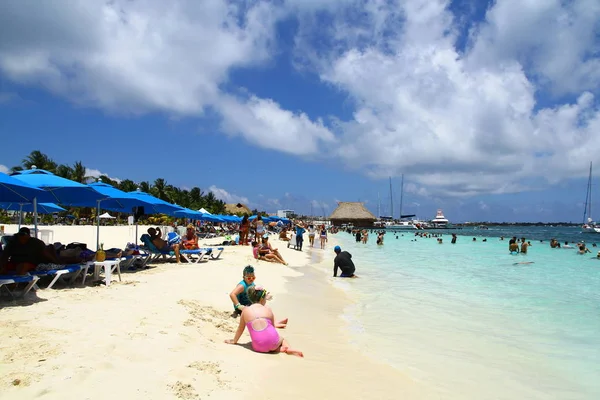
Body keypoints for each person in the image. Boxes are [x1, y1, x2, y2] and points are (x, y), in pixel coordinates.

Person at [225, 286, 303, 357]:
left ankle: (278, 349)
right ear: (262, 299)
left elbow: (240, 329)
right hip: (273, 343)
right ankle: (287, 348)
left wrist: (234, 341)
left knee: (262, 342)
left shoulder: (245, 311)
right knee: (282, 339)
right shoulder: (268, 309)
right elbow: (273, 328)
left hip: (258, 347)